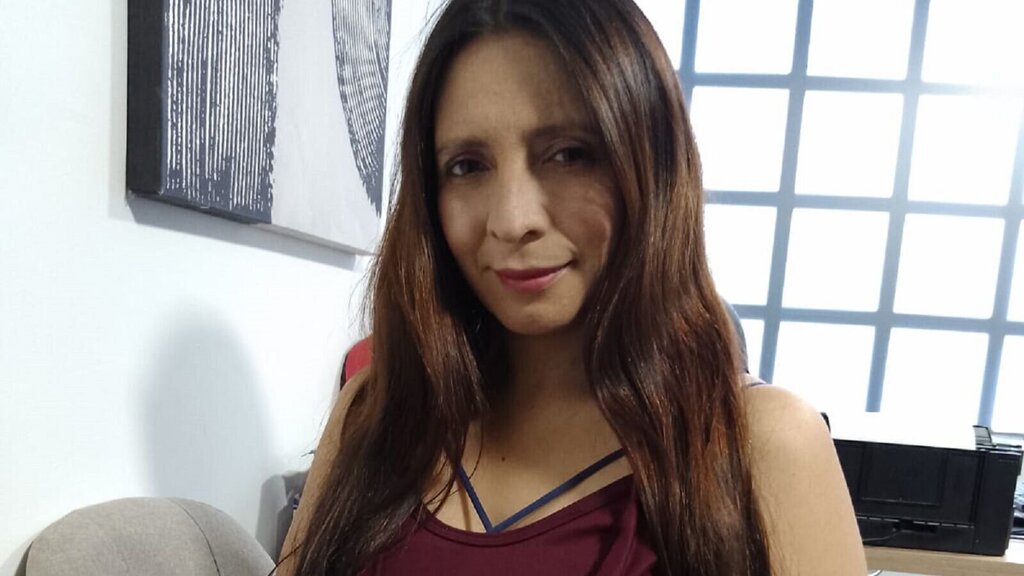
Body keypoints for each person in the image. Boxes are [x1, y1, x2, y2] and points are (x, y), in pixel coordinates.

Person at [277, 0, 867, 574]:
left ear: (653, 166)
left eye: (568, 155)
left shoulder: (764, 446)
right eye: (467, 166)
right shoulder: (377, 412)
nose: (512, 220)